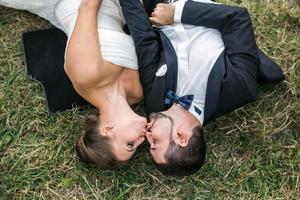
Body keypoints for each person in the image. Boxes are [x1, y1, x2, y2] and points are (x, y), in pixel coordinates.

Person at [120, 0, 284, 176]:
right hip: (192, 8)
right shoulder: (240, 87)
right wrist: (174, 13)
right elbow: (237, 19)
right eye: (155, 143)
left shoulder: (155, 104)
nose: (147, 137)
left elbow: (145, 43)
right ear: (181, 137)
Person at [0, 0, 148, 169]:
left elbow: (88, 7)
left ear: (107, 130)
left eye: (130, 144)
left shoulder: (86, 75)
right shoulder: (138, 93)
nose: (141, 140)